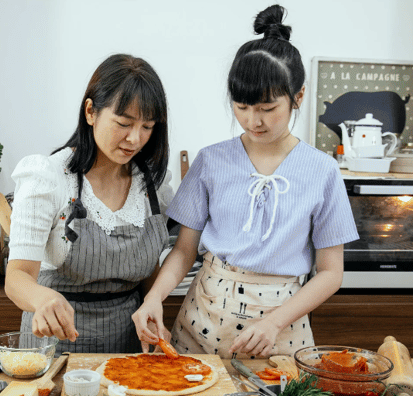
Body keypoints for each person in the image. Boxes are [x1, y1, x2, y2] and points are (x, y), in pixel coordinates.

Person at [132, 5, 359, 359]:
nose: (253, 120)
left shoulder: (322, 171)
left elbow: (331, 273)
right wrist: (153, 298)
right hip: (204, 316)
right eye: (241, 106)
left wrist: (274, 323)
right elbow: (183, 250)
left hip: (281, 325)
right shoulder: (211, 161)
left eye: (268, 109)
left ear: (298, 96)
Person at [5, 54, 173, 354]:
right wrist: (43, 299)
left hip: (128, 345)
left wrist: (153, 309)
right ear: (91, 111)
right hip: (55, 343)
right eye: (123, 123)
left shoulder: (152, 184)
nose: (135, 139)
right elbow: (17, 278)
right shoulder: (49, 177)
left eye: (147, 127)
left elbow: (148, 270)